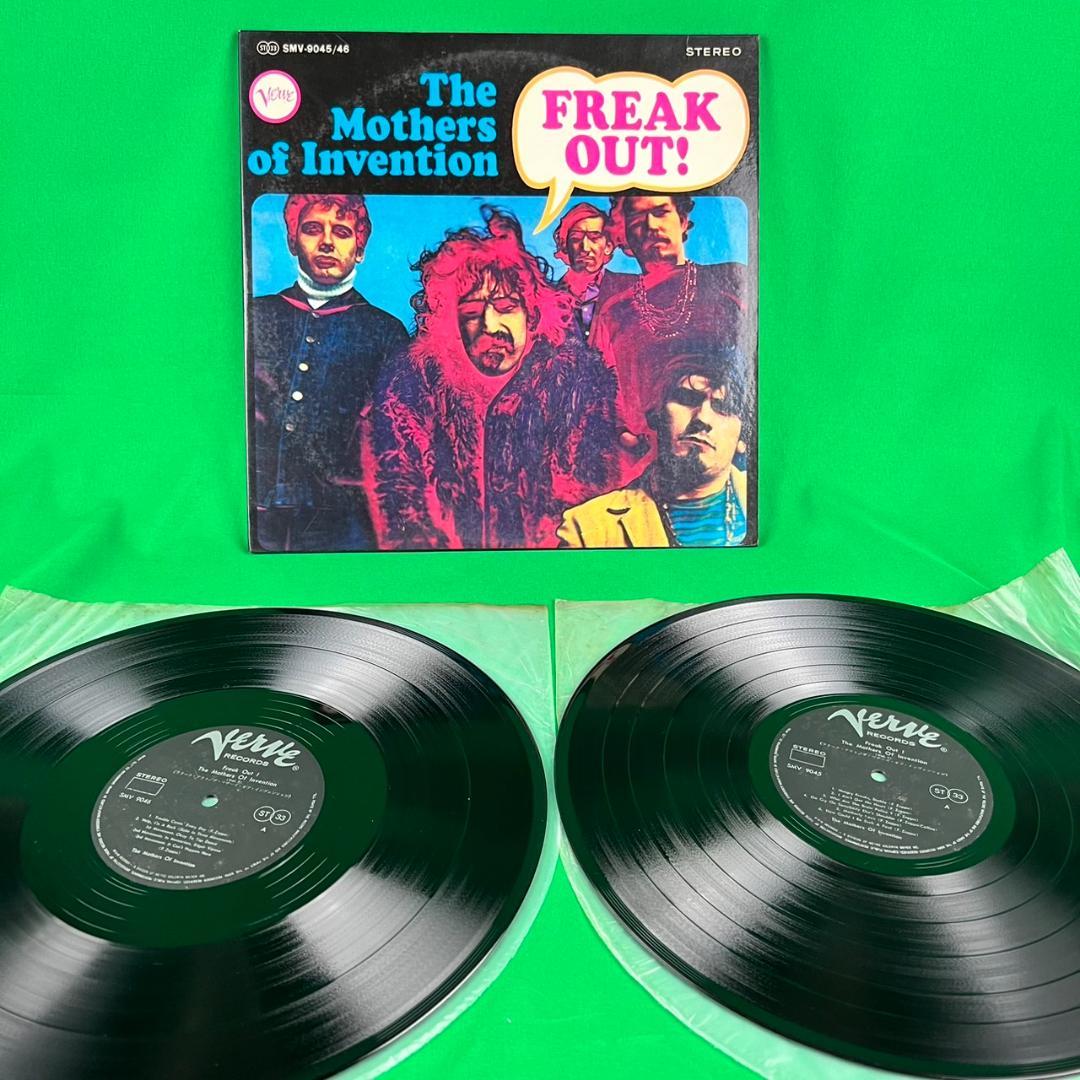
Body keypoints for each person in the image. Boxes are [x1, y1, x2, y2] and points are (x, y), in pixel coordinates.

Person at [373, 207, 618, 550]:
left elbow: (588, 513)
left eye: (506, 307)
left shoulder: (575, 388)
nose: (490, 326)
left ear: (533, 314)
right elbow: (404, 512)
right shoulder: (414, 391)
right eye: (472, 312)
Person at [250, 193, 408, 552]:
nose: (326, 242)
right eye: (312, 229)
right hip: (258, 515)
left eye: (341, 232)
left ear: (360, 248)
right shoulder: (257, 315)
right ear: (292, 241)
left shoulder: (385, 331)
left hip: (344, 524)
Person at [590, 194, 748, 479]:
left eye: (661, 212)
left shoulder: (731, 286)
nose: (651, 226)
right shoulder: (614, 312)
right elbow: (597, 398)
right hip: (639, 471)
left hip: (720, 461)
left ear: (683, 221)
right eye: (637, 220)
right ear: (625, 235)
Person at [556, 341, 752, 547]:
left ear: (744, 438)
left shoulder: (766, 504)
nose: (702, 418)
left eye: (724, 408)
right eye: (686, 398)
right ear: (657, 415)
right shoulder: (587, 530)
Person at [552, 202, 633, 341]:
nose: (585, 248)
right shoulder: (549, 296)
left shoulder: (630, 288)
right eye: (576, 239)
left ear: (608, 247)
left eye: (594, 238)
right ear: (565, 247)